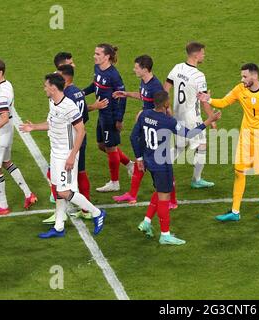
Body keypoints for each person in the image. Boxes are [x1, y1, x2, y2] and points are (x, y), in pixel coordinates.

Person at [20, 73, 106, 238]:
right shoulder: (52, 102)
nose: (44, 88)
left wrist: (72, 156)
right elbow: (51, 124)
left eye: (46, 85)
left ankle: (97, 213)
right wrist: (34, 127)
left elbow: (81, 131)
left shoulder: (69, 106)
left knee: (65, 191)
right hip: (55, 152)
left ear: (53, 88)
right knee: (59, 191)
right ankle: (59, 227)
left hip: (66, 154)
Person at [198, 63, 259, 222]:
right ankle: (235, 211)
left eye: (245, 76)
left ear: (255, 76)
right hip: (245, 139)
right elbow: (224, 102)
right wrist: (208, 99)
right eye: (242, 76)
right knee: (239, 172)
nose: (242, 79)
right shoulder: (240, 89)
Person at [131, 91, 220, 245]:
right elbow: (190, 133)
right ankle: (165, 235)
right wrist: (209, 119)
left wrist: (139, 158)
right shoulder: (168, 121)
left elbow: (133, 136)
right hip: (162, 164)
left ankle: (146, 222)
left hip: (148, 161)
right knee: (164, 196)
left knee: (159, 191)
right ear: (166, 103)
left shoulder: (144, 115)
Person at [112, 55, 178, 208]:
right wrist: (126, 94)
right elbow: (143, 96)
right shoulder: (144, 82)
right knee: (141, 157)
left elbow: (166, 106)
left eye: (136, 67)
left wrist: (169, 124)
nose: (133, 69)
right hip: (145, 124)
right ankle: (132, 194)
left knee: (162, 164)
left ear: (145, 69)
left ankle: (172, 200)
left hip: (154, 128)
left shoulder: (155, 87)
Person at [46, 52, 108, 206]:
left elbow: (75, 119)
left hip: (71, 138)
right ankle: (69, 203)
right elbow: (83, 115)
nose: (74, 65)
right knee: (73, 172)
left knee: (73, 173)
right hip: (74, 136)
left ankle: (86, 208)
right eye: (70, 63)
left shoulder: (66, 95)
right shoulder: (77, 92)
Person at [0, 58, 37, 216]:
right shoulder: (3, 85)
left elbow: (4, 117)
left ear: (0, 72)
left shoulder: (2, 94)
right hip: (6, 133)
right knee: (6, 162)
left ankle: (3, 205)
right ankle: (29, 194)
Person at [164, 41, 216, 189]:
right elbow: (204, 101)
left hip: (177, 115)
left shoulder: (177, 67)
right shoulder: (199, 76)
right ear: (196, 54)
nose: (204, 55)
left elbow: (166, 88)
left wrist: (167, 108)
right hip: (193, 117)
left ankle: (160, 167)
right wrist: (211, 118)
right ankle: (196, 179)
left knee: (180, 146)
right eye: (202, 52)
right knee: (202, 145)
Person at [83, 43, 133, 193]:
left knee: (110, 147)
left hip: (110, 115)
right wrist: (81, 93)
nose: (94, 56)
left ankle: (114, 182)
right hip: (101, 112)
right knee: (101, 145)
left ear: (107, 57)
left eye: (98, 54)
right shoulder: (97, 68)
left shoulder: (114, 75)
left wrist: (119, 119)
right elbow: (95, 85)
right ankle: (130, 164)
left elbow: (122, 98)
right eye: (95, 53)